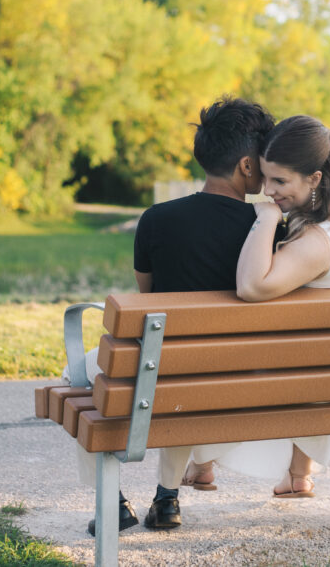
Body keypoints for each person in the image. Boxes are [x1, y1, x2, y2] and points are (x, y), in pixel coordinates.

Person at [73, 95, 275, 534]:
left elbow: (147, 300)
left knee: (80, 377)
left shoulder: (156, 220)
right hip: (236, 380)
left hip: (163, 371)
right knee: (184, 372)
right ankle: (166, 499)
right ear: (246, 166)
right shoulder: (267, 228)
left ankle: (113, 503)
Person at [189, 114, 330, 497]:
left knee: (214, 354)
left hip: (317, 376)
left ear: (314, 178)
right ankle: (297, 475)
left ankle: (199, 461)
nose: (268, 189)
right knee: (308, 349)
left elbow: (251, 285)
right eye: (266, 177)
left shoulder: (319, 240)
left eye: (280, 181)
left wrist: (265, 217)